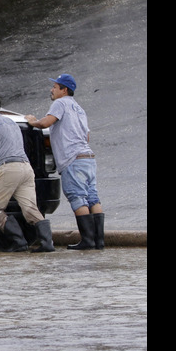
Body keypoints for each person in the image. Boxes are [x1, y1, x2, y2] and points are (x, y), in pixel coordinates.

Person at [25, 74, 104, 250]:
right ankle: (99, 241)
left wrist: (32, 122)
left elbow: (46, 122)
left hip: (72, 159)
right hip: (88, 158)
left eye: (55, 86)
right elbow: (87, 136)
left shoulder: (60, 103)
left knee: (77, 197)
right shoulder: (79, 108)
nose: (51, 90)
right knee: (93, 197)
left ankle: (88, 241)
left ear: (64, 90)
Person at [0, 92, 54, 252]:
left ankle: (19, 242)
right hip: (26, 168)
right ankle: (47, 243)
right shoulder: (10, 121)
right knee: (30, 209)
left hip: (9, 168)